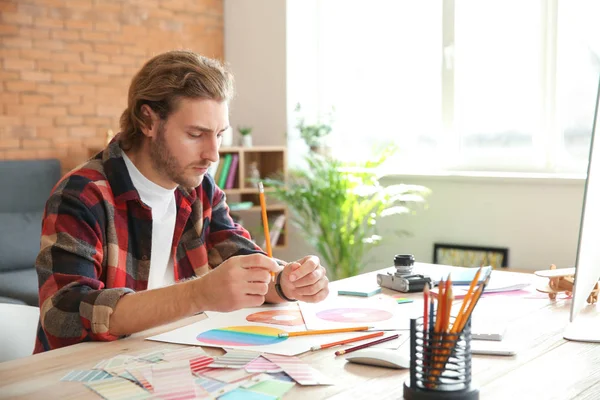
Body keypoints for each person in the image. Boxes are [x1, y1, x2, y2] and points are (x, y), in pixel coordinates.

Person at [34, 50, 329, 353]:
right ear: (147, 121)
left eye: (219, 134)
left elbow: (245, 267)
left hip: (173, 360)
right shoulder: (80, 195)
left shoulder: (199, 188)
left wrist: (285, 283)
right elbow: (62, 315)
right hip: (85, 372)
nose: (213, 154)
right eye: (196, 134)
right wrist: (196, 295)